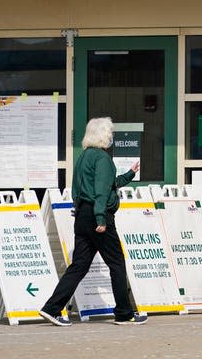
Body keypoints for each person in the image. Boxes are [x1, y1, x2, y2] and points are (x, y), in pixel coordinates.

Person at [39, 117, 147, 326]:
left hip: (81, 216)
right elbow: (101, 192)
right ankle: (124, 314)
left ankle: (51, 308)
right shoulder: (103, 159)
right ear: (104, 136)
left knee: (79, 266)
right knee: (116, 263)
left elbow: (98, 186)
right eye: (111, 133)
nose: (112, 137)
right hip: (99, 217)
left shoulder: (83, 157)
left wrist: (128, 175)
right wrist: (101, 218)